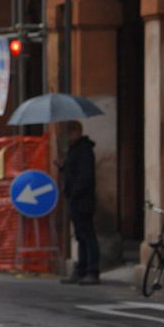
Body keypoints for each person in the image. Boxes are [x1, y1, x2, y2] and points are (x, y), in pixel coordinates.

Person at [60, 121, 99, 285]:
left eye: (69, 133)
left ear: (77, 131)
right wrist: (63, 167)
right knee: (80, 236)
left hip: (83, 200)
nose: (67, 136)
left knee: (87, 235)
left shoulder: (83, 150)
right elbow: (73, 172)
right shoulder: (74, 150)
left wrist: (74, 192)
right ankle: (81, 269)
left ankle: (92, 271)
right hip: (75, 199)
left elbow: (85, 177)